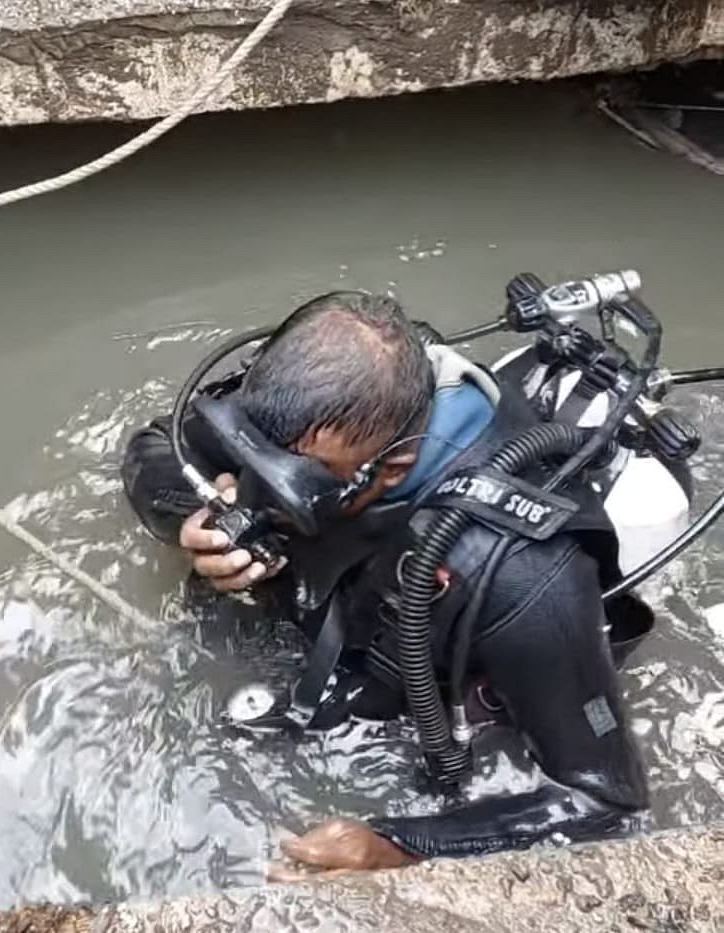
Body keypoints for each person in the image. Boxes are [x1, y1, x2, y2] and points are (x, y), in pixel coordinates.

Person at [119, 290, 658, 877]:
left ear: (393, 467)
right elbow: (154, 447)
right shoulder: (301, 405)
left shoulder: (527, 575)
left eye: (297, 484)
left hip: (413, 682)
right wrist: (194, 523)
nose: (263, 495)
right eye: (257, 462)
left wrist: (401, 847)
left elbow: (606, 802)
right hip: (322, 617)